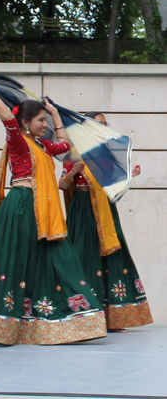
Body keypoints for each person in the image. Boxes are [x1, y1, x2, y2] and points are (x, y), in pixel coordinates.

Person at [0, 76, 107, 345]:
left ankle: (57, 320)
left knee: (54, 260)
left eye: (45, 120)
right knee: (20, 262)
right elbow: (7, 119)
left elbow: (65, 146)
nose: (45, 125)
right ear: (25, 123)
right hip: (23, 206)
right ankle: (9, 327)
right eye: (40, 120)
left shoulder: (42, 146)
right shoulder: (18, 141)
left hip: (43, 212)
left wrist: (55, 114)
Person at [60, 112, 153, 331]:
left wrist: (130, 176)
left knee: (111, 258)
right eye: (98, 124)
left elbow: (112, 186)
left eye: (105, 124)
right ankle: (85, 317)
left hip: (106, 211)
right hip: (83, 210)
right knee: (85, 256)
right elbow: (62, 186)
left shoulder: (107, 155)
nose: (103, 128)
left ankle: (113, 318)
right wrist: (72, 173)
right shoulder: (74, 153)